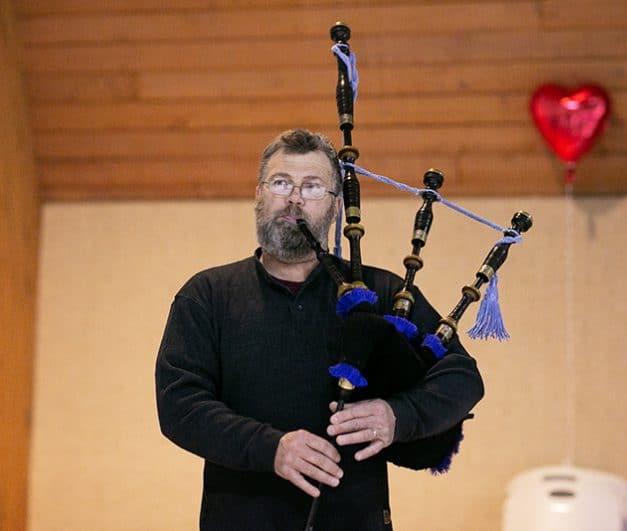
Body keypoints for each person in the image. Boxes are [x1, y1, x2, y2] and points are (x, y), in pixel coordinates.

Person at [155, 128, 484, 531]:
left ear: (335, 206)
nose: (294, 197)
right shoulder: (207, 295)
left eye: (312, 187)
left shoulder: (380, 293)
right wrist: (270, 448)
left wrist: (397, 416)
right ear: (259, 194)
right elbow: (179, 405)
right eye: (281, 183)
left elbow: (462, 377)